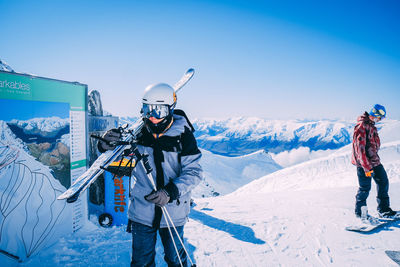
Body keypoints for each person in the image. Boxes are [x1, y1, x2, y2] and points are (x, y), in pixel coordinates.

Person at [98, 83, 203, 267]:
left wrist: (170, 192)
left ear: (171, 109)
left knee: (176, 259)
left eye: (159, 111)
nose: (153, 117)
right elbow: (119, 166)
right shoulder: (137, 134)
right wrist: (106, 145)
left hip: (174, 211)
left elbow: (194, 172)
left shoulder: (183, 135)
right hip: (142, 211)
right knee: (141, 262)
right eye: (148, 110)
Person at [351, 104, 396, 218]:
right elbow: (359, 150)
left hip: (374, 161)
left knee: (383, 182)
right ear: (376, 114)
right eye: (380, 117)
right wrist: (366, 167)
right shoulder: (362, 126)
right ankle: (361, 213)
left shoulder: (371, 126)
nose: (380, 120)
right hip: (364, 164)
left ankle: (384, 209)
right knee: (365, 188)